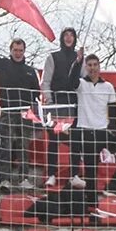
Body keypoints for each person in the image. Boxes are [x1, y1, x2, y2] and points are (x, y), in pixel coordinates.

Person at [0, 28, 41, 185]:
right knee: (6, 147)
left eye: (20, 50)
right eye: (15, 50)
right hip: (8, 112)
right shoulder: (3, 65)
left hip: (25, 114)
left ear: (24, 51)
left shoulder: (30, 71)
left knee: (24, 147)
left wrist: (31, 107)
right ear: (10, 50)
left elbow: (36, 92)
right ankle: (4, 180)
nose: (18, 53)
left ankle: (23, 179)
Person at [70, 54, 116, 192]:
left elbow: (113, 112)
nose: (92, 68)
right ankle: (91, 205)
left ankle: (113, 183)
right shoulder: (81, 84)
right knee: (91, 172)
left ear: (99, 66)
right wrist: (77, 62)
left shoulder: (108, 86)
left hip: (102, 132)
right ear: (86, 67)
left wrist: (112, 129)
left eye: (95, 65)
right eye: (89, 65)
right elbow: (71, 80)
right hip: (86, 131)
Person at [40, 28, 83, 188]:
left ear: (75, 38)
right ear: (61, 38)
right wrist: (50, 101)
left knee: (75, 140)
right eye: (66, 35)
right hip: (57, 102)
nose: (69, 38)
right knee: (54, 140)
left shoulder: (80, 58)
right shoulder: (53, 57)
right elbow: (45, 82)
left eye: (72, 35)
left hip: (74, 103)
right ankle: (51, 174)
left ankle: (74, 175)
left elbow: (83, 81)